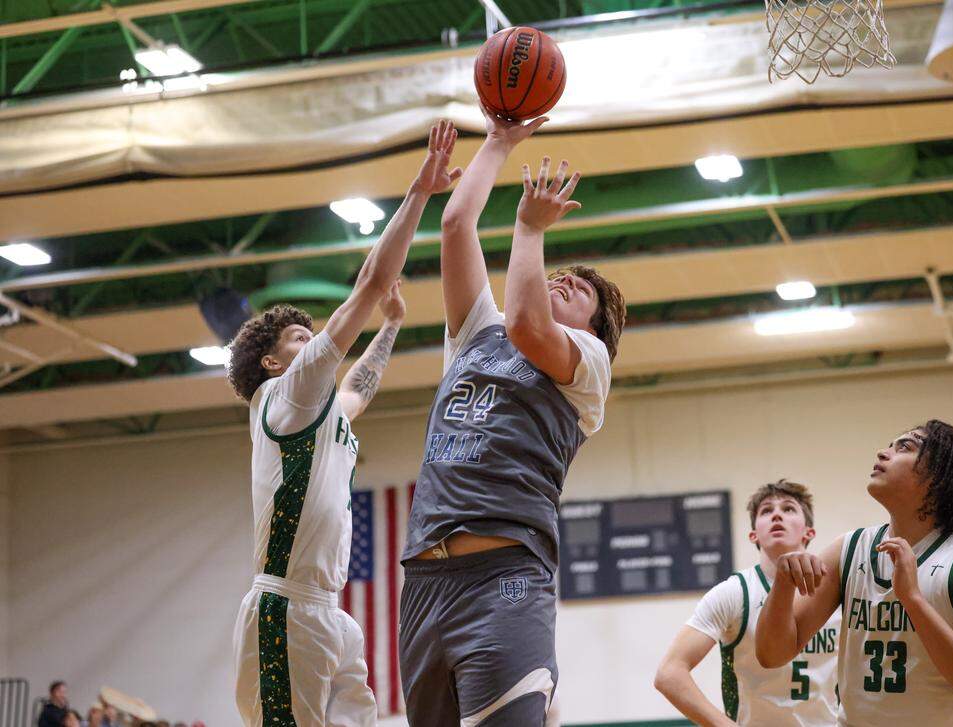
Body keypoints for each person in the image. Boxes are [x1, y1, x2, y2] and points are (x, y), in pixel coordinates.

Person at [228, 119, 462, 726]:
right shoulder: (286, 393)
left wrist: (388, 327)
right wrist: (418, 193)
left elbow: (358, 390)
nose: (314, 347)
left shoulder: (321, 408)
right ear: (273, 361)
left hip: (329, 610)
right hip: (286, 606)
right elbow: (372, 281)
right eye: (300, 339)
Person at [398, 107, 626, 726]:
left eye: (581, 290)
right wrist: (497, 143)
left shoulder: (587, 363)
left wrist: (529, 232)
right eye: (559, 276)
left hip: (506, 579)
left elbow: (528, 323)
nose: (564, 281)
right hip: (424, 583)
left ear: (597, 327)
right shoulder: (476, 334)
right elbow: (454, 226)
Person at [755, 420, 953, 727]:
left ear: (938, 474)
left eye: (904, 446)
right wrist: (783, 586)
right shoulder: (848, 549)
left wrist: (913, 600)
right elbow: (772, 655)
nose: (882, 453)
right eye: (890, 445)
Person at [655, 480, 840, 726]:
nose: (776, 515)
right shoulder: (734, 592)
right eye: (766, 511)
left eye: (788, 509)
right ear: (754, 534)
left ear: (809, 531)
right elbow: (669, 673)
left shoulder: (835, 590)